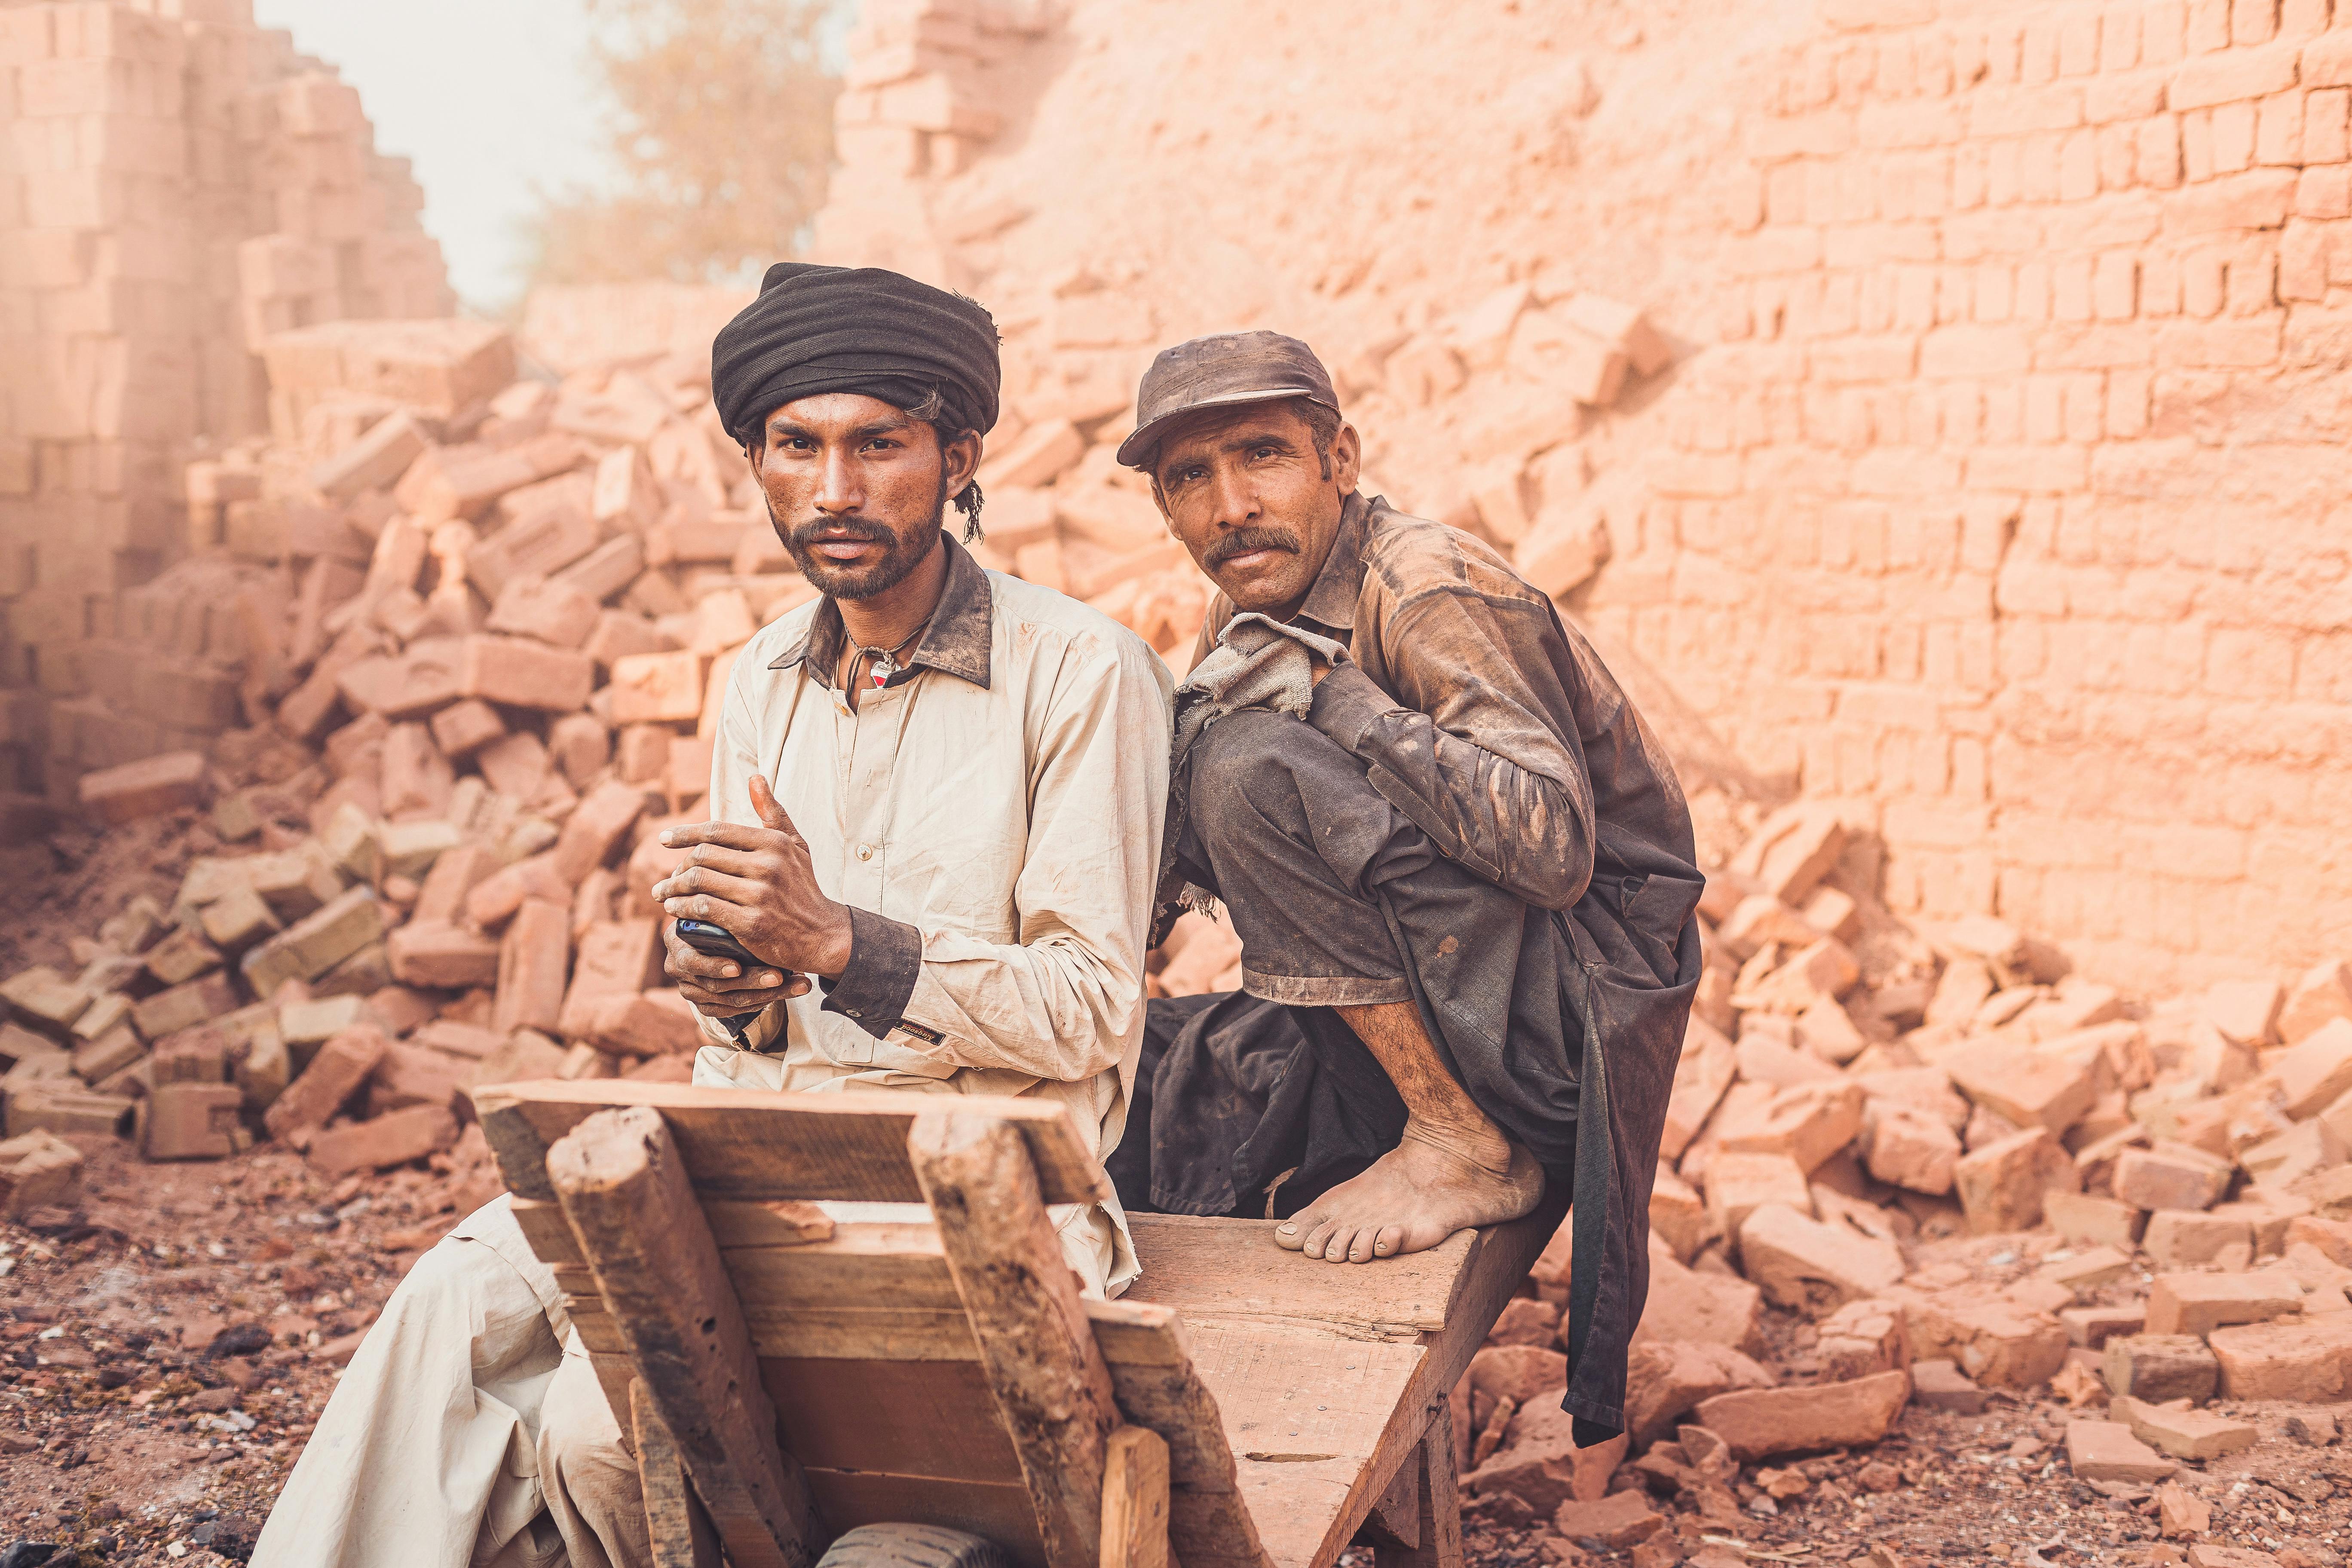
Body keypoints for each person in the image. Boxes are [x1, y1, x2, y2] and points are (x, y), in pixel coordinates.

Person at [254, 264, 1173, 1568]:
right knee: (457, 1299)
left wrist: (840, 945)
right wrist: (733, 987)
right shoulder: (760, 677)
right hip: (763, 1153)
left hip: (979, 1182)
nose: (835, 489)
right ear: (756, 461)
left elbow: (1091, 1009)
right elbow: (749, 1012)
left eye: (878, 445)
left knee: (603, 1439)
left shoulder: (1081, 670)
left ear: (959, 457)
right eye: (796, 446)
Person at [1111, 330, 1701, 1446]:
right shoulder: (1253, 600)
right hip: (1469, 977)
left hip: (1577, 1007)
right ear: (1166, 508)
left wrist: (1340, 699)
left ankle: (1460, 1142)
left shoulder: (1426, 585)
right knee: (1166, 1061)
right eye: (1190, 477)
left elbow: (1556, 848)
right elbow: (1181, 856)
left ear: (1340, 459)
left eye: (1262, 456)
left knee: (1245, 767)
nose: (1232, 505)